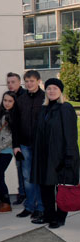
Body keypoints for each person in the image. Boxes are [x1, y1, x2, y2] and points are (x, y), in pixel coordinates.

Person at [31, 78, 79, 229]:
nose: (51, 91)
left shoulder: (65, 108)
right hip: (45, 156)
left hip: (61, 156)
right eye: (49, 88)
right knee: (46, 187)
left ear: (60, 91)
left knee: (62, 188)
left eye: (55, 88)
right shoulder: (45, 108)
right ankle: (49, 214)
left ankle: (60, 217)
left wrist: (69, 157)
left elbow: (71, 135)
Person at [13, 70, 45, 221]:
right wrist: (16, 145)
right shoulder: (21, 100)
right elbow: (15, 124)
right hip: (24, 145)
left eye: (32, 81)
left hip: (41, 146)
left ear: (38, 81)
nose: (29, 83)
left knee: (39, 176)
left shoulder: (45, 98)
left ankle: (40, 207)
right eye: (27, 81)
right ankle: (29, 206)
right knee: (27, 177)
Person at [0, 91, 18, 213]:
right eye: (5, 100)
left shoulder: (16, 115)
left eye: (10, 101)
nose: (7, 103)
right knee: (0, 176)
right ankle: (3, 200)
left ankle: (6, 203)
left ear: (14, 102)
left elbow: (13, 135)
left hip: (6, 150)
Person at [6, 72, 26, 205]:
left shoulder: (24, 97)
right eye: (8, 82)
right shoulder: (9, 97)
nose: (10, 84)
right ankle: (22, 193)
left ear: (19, 82)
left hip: (25, 140)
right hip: (14, 140)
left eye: (13, 82)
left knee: (26, 169)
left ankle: (27, 194)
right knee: (20, 167)